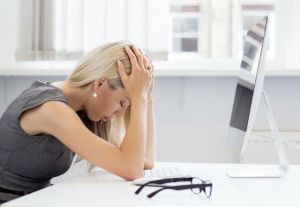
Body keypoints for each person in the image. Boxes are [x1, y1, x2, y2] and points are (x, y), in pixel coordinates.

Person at [0, 41, 156, 204]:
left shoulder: (80, 109)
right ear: (100, 84)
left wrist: (147, 95)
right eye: (122, 103)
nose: (120, 114)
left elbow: (144, 161)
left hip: (33, 199)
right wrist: (139, 97)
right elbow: (131, 169)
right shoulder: (51, 108)